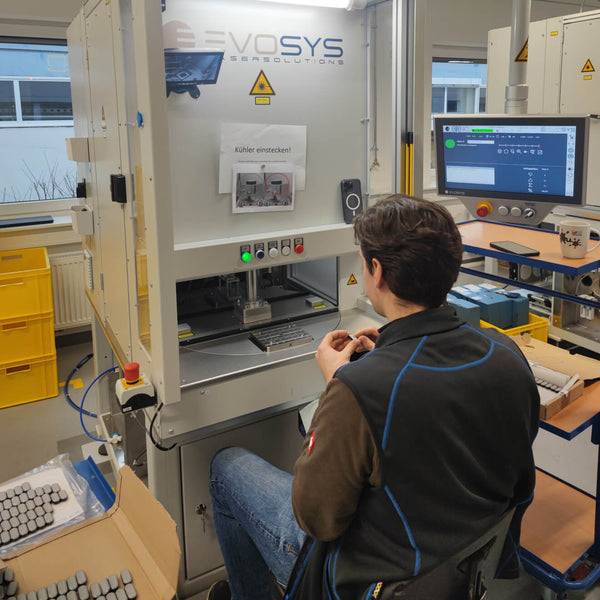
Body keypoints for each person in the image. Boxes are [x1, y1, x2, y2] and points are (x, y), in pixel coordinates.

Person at [208, 195, 539, 600]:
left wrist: (338, 386)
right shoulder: (505, 354)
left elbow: (316, 520)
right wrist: (393, 352)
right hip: (467, 571)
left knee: (226, 467)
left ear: (376, 271)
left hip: (374, 582)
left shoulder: (357, 390)